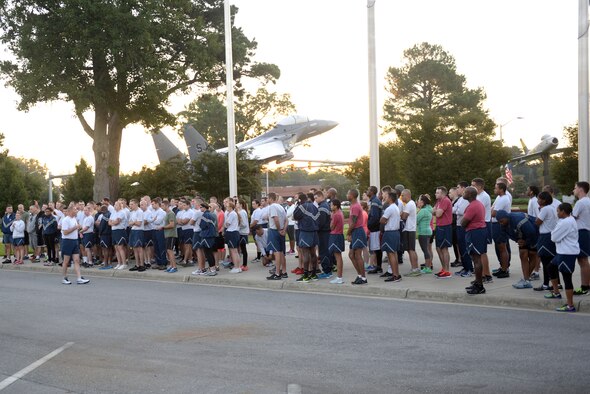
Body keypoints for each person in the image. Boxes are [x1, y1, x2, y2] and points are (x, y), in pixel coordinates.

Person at [545, 203, 579, 312]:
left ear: (563, 212)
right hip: (562, 252)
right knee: (550, 267)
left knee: (567, 278)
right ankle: (556, 292)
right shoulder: (569, 219)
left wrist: (554, 232)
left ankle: (570, 305)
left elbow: (554, 237)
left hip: (567, 253)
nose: (557, 213)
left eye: (558, 211)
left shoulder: (565, 223)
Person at [495, 210, 538, 289]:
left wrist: (526, 242)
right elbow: (507, 235)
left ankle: (526, 279)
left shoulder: (519, 220)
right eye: (499, 222)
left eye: (501, 221)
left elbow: (532, 232)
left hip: (534, 234)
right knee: (523, 255)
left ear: (506, 217)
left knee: (532, 255)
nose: (500, 223)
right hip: (522, 235)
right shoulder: (503, 224)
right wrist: (518, 240)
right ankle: (526, 279)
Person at [462, 187, 488, 295]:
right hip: (478, 231)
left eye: (465, 192)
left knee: (476, 259)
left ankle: (480, 286)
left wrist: (463, 221)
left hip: (475, 233)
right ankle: (477, 282)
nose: (463, 193)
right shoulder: (477, 204)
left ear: (469, 194)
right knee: (475, 258)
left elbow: (464, 222)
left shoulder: (473, 206)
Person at [534, 191, 559, 291]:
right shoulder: (552, 208)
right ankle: (556, 284)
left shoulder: (544, 209)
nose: (537, 200)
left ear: (544, 200)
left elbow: (537, 222)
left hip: (545, 237)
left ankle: (545, 284)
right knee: (552, 262)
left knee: (545, 262)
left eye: (539, 199)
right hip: (551, 235)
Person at [293, 192, 319, 282]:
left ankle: (305, 276)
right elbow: (317, 217)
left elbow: (295, 216)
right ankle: (314, 274)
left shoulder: (301, 206)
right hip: (314, 232)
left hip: (305, 231)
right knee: (313, 253)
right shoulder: (314, 206)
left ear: (300, 200)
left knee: (305, 254)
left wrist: (298, 205)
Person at [60, 207, 90, 285]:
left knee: (77, 260)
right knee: (66, 261)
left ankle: (79, 278)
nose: (76, 211)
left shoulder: (74, 219)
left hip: (74, 241)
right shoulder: (65, 220)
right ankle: (64, 277)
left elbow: (75, 229)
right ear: (70, 211)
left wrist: (78, 229)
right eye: (75, 210)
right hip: (67, 241)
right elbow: (65, 232)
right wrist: (75, 228)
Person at [472, 178, 493, 283]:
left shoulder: (483, 196)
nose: (471, 187)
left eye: (473, 185)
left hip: (483, 224)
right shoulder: (478, 196)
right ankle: (482, 275)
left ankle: (487, 275)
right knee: (478, 252)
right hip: (480, 224)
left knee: (482, 252)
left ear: (479, 186)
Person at [572, 181, 590, 295]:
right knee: (584, 260)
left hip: (582, 233)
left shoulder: (580, 203)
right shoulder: (588, 201)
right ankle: (586, 285)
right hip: (586, 231)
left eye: (575, 188)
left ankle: (584, 287)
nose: (574, 190)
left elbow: (572, 217)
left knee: (582, 260)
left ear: (580, 189)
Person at [347, 189, 368, 285]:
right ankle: (359, 275)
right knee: (351, 255)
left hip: (358, 232)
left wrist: (348, 233)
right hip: (355, 232)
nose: (347, 195)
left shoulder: (355, 206)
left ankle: (363, 278)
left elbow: (354, 222)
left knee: (358, 255)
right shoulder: (352, 205)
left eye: (348, 193)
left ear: (352, 195)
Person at [491, 182, 511, 278]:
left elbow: (494, 213)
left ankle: (504, 269)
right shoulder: (500, 198)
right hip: (496, 224)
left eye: (496, 188)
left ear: (501, 189)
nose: (494, 190)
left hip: (500, 224)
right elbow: (492, 209)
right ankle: (502, 267)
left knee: (502, 247)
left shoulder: (503, 199)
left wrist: (491, 210)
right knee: (500, 247)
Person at [380, 191, 402, 282]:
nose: (385, 197)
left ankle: (395, 275)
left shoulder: (390, 208)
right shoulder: (396, 207)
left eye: (386, 196)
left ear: (390, 198)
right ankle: (396, 274)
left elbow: (382, 220)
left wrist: (384, 220)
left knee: (391, 254)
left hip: (390, 233)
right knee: (394, 254)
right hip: (395, 232)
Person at [432, 186, 453, 278]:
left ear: (443, 194)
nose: (435, 194)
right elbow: (432, 211)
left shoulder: (445, 200)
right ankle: (443, 268)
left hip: (445, 227)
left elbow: (438, 214)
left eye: (438, 192)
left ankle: (447, 271)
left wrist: (436, 211)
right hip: (439, 226)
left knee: (444, 248)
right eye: (436, 192)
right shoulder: (439, 201)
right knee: (438, 248)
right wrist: (436, 211)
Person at [366, 186, 384, 274]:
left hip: (375, 228)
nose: (366, 191)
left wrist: (369, 225)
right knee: (376, 248)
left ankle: (379, 267)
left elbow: (375, 216)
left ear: (372, 192)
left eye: (368, 190)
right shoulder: (374, 201)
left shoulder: (375, 202)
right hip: (375, 228)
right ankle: (378, 266)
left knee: (377, 248)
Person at [316, 190, 333, 279]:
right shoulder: (326, 205)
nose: (315, 200)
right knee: (326, 251)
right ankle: (328, 269)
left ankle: (327, 271)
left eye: (316, 198)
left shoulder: (322, 207)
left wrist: (316, 228)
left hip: (323, 232)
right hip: (326, 232)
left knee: (324, 252)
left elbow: (321, 222)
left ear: (321, 197)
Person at [199, 202, 218, 276]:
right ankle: (212, 269)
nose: (200, 209)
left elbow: (202, 225)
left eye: (201, 207)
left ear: (204, 207)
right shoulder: (212, 214)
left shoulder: (205, 215)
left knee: (208, 253)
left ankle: (212, 270)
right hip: (211, 235)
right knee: (210, 252)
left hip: (206, 236)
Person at [328, 199, 345, 284]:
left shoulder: (336, 214)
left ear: (335, 206)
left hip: (335, 236)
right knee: (338, 257)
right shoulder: (340, 213)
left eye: (331, 205)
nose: (330, 207)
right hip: (339, 235)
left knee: (337, 257)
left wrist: (331, 218)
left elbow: (331, 227)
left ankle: (339, 277)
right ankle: (339, 277)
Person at [416, 194, 434, 273]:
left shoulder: (423, 211)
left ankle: (427, 268)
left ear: (422, 202)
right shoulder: (428, 209)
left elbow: (416, 220)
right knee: (427, 250)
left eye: (419, 200)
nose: (417, 202)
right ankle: (428, 266)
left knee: (425, 250)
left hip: (423, 232)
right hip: (428, 231)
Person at [224, 200, 242, 273]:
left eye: (227, 206)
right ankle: (238, 267)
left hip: (231, 233)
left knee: (233, 251)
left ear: (231, 207)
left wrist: (225, 224)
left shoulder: (231, 214)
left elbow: (227, 224)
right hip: (235, 232)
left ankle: (236, 267)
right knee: (235, 251)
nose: (226, 208)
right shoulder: (234, 213)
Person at [128, 199, 146, 271]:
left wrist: (133, 222)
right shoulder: (132, 212)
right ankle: (137, 264)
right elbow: (129, 223)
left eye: (132, 204)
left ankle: (142, 265)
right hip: (133, 230)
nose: (130, 206)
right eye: (130, 204)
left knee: (139, 248)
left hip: (139, 231)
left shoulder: (140, 212)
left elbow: (139, 223)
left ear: (136, 204)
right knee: (134, 248)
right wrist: (133, 222)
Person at [161, 200, 178, 273]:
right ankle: (171, 265)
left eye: (163, 205)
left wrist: (163, 227)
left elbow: (172, 225)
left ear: (167, 205)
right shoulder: (166, 213)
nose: (161, 207)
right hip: (167, 234)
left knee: (170, 251)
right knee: (168, 251)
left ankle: (174, 267)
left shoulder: (171, 213)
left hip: (171, 234)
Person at [151, 198, 167, 270]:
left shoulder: (161, 212)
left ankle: (163, 263)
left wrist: (153, 220)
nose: (152, 205)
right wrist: (153, 219)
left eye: (153, 204)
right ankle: (158, 262)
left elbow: (158, 221)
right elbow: (149, 219)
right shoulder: (153, 211)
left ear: (157, 204)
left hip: (160, 231)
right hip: (154, 230)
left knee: (161, 247)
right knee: (156, 247)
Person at [237, 199, 250, 271]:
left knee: (243, 249)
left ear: (241, 205)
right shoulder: (241, 212)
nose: (236, 204)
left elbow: (244, 224)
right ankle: (242, 264)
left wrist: (237, 226)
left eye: (238, 203)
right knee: (241, 249)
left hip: (243, 233)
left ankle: (245, 265)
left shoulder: (242, 212)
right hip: (241, 232)